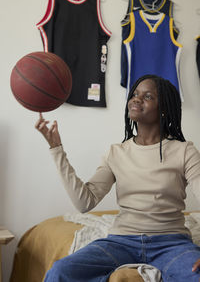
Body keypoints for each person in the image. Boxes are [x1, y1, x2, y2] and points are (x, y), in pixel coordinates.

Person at [35, 74, 200, 282]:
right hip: (121, 242)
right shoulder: (116, 153)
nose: (136, 99)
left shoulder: (185, 151)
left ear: (164, 107)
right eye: (135, 94)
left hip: (171, 243)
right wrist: (56, 148)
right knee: (60, 271)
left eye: (148, 96)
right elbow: (84, 202)